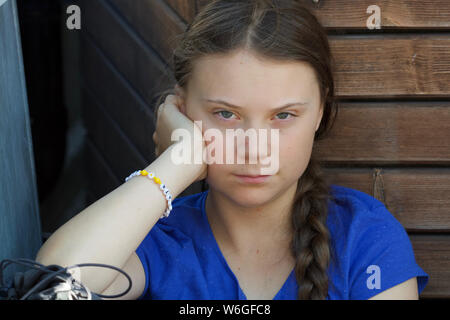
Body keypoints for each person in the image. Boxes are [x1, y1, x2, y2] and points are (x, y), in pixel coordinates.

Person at [35, 0, 429, 300]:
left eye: (283, 115)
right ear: (183, 112)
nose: (254, 150)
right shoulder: (156, 239)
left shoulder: (364, 238)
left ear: (320, 113)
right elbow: (50, 289)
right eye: (226, 114)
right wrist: (174, 165)